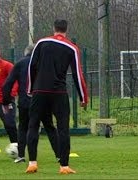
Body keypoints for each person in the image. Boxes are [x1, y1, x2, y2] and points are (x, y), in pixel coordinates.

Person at [25, 19, 88, 174]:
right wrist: (83, 97)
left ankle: (32, 163)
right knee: (63, 128)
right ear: (67, 29)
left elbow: (32, 65)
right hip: (59, 93)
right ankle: (64, 166)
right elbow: (77, 75)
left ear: (54, 28)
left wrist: (30, 88)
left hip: (40, 91)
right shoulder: (72, 48)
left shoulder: (41, 42)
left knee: (33, 125)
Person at [2, 44, 60, 163]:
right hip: (43, 101)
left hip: (25, 102)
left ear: (25, 52)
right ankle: (59, 155)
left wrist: (6, 102)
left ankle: (21, 156)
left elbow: (7, 84)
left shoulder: (19, 64)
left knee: (24, 128)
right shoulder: (44, 64)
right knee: (49, 127)